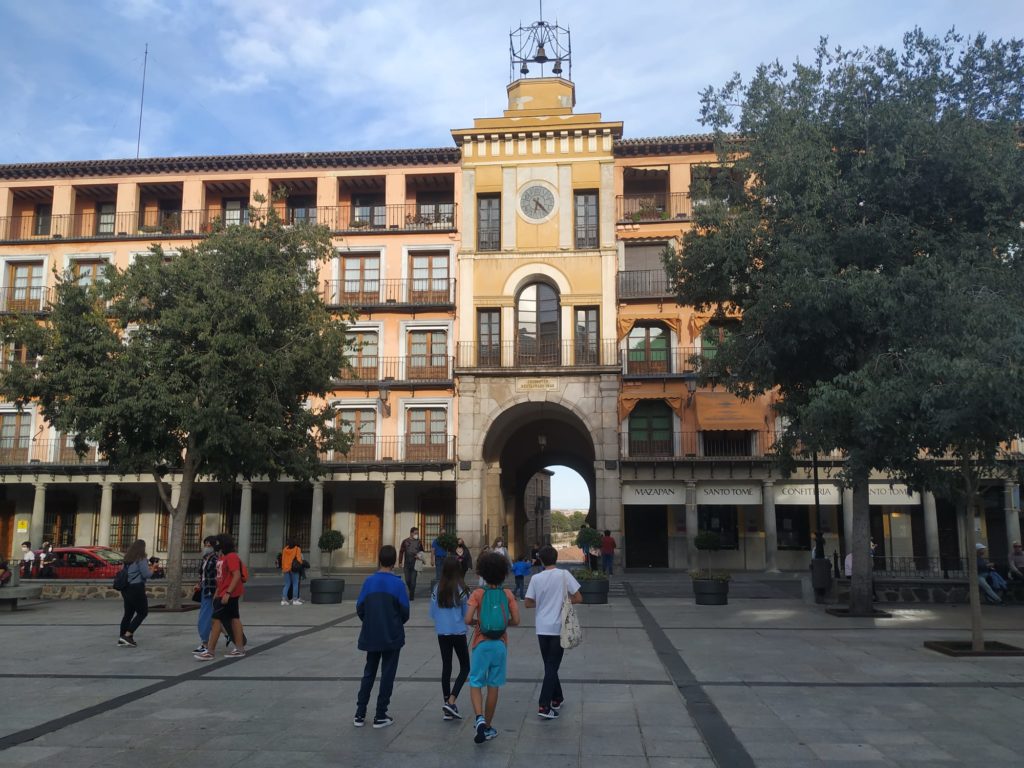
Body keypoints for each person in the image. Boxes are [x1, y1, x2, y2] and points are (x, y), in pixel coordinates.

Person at [465, 551, 519, 744]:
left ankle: (479, 718)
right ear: (504, 573)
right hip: (500, 644)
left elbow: (467, 618)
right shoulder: (507, 594)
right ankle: (488, 726)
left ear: (482, 573)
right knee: (494, 686)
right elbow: (516, 620)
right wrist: (502, 623)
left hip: (481, 643)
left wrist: (477, 622)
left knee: (475, 682)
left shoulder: (478, 594)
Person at [353, 545, 409, 729]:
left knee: (369, 672)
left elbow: (360, 608)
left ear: (379, 559)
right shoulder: (398, 584)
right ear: (394, 562)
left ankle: (360, 714)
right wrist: (394, 623)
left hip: (372, 634)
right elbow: (405, 612)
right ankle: (380, 714)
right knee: (387, 674)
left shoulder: (369, 582)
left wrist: (370, 621)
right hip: (391, 635)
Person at [525, 545, 581, 719]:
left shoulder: (536, 578)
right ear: (556, 558)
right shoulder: (564, 575)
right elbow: (578, 597)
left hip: (542, 627)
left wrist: (542, 603)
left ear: (540, 560)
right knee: (552, 665)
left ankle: (557, 697)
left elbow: (528, 603)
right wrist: (563, 600)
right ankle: (544, 705)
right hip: (559, 627)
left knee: (549, 665)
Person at [429, 556, 471, 721]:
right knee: (465, 667)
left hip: (442, 632)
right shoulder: (461, 588)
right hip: (458, 632)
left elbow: (433, 613)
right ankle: (452, 700)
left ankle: (447, 702)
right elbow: (466, 614)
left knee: (446, 667)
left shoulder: (436, 588)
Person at [195, 533, 246, 660]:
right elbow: (221, 577)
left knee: (216, 620)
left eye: (217, 543)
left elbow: (236, 575)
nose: (214, 545)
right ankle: (239, 648)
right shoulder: (222, 557)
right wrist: (218, 591)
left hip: (229, 594)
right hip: (223, 593)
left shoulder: (231, 557)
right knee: (233, 619)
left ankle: (210, 651)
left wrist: (227, 593)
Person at [118, 539, 152, 647]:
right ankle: (127, 635)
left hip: (126, 588)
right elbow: (146, 574)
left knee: (128, 614)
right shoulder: (141, 558)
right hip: (136, 588)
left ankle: (122, 638)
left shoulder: (127, 559)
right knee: (143, 612)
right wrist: (153, 569)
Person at [194, 535, 218, 655]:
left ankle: (205, 643)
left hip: (211, 591)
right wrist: (199, 583)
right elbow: (203, 575)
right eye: (205, 544)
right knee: (215, 618)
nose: (207, 547)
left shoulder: (215, 559)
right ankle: (232, 635)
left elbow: (216, 577)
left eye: (209, 545)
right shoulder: (205, 559)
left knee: (205, 616)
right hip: (205, 588)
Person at [398, 526, 424, 600]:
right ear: (411, 533)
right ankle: (411, 590)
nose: (417, 535)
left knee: (413, 581)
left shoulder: (419, 542)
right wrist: (400, 562)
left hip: (415, 564)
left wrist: (419, 555)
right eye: (415, 533)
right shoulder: (405, 541)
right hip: (407, 564)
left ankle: (411, 595)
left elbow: (422, 551)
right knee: (407, 580)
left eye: (417, 533)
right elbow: (401, 552)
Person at [280, 538, 304, 606]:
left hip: (285, 568)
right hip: (293, 568)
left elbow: (283, 559)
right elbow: (299, 559)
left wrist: (283, 567)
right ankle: (295, 600)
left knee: (287, 584)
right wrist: (301, 563)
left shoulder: (285, 549)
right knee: (295, 583)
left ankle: (284, 600)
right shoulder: (297, 549)